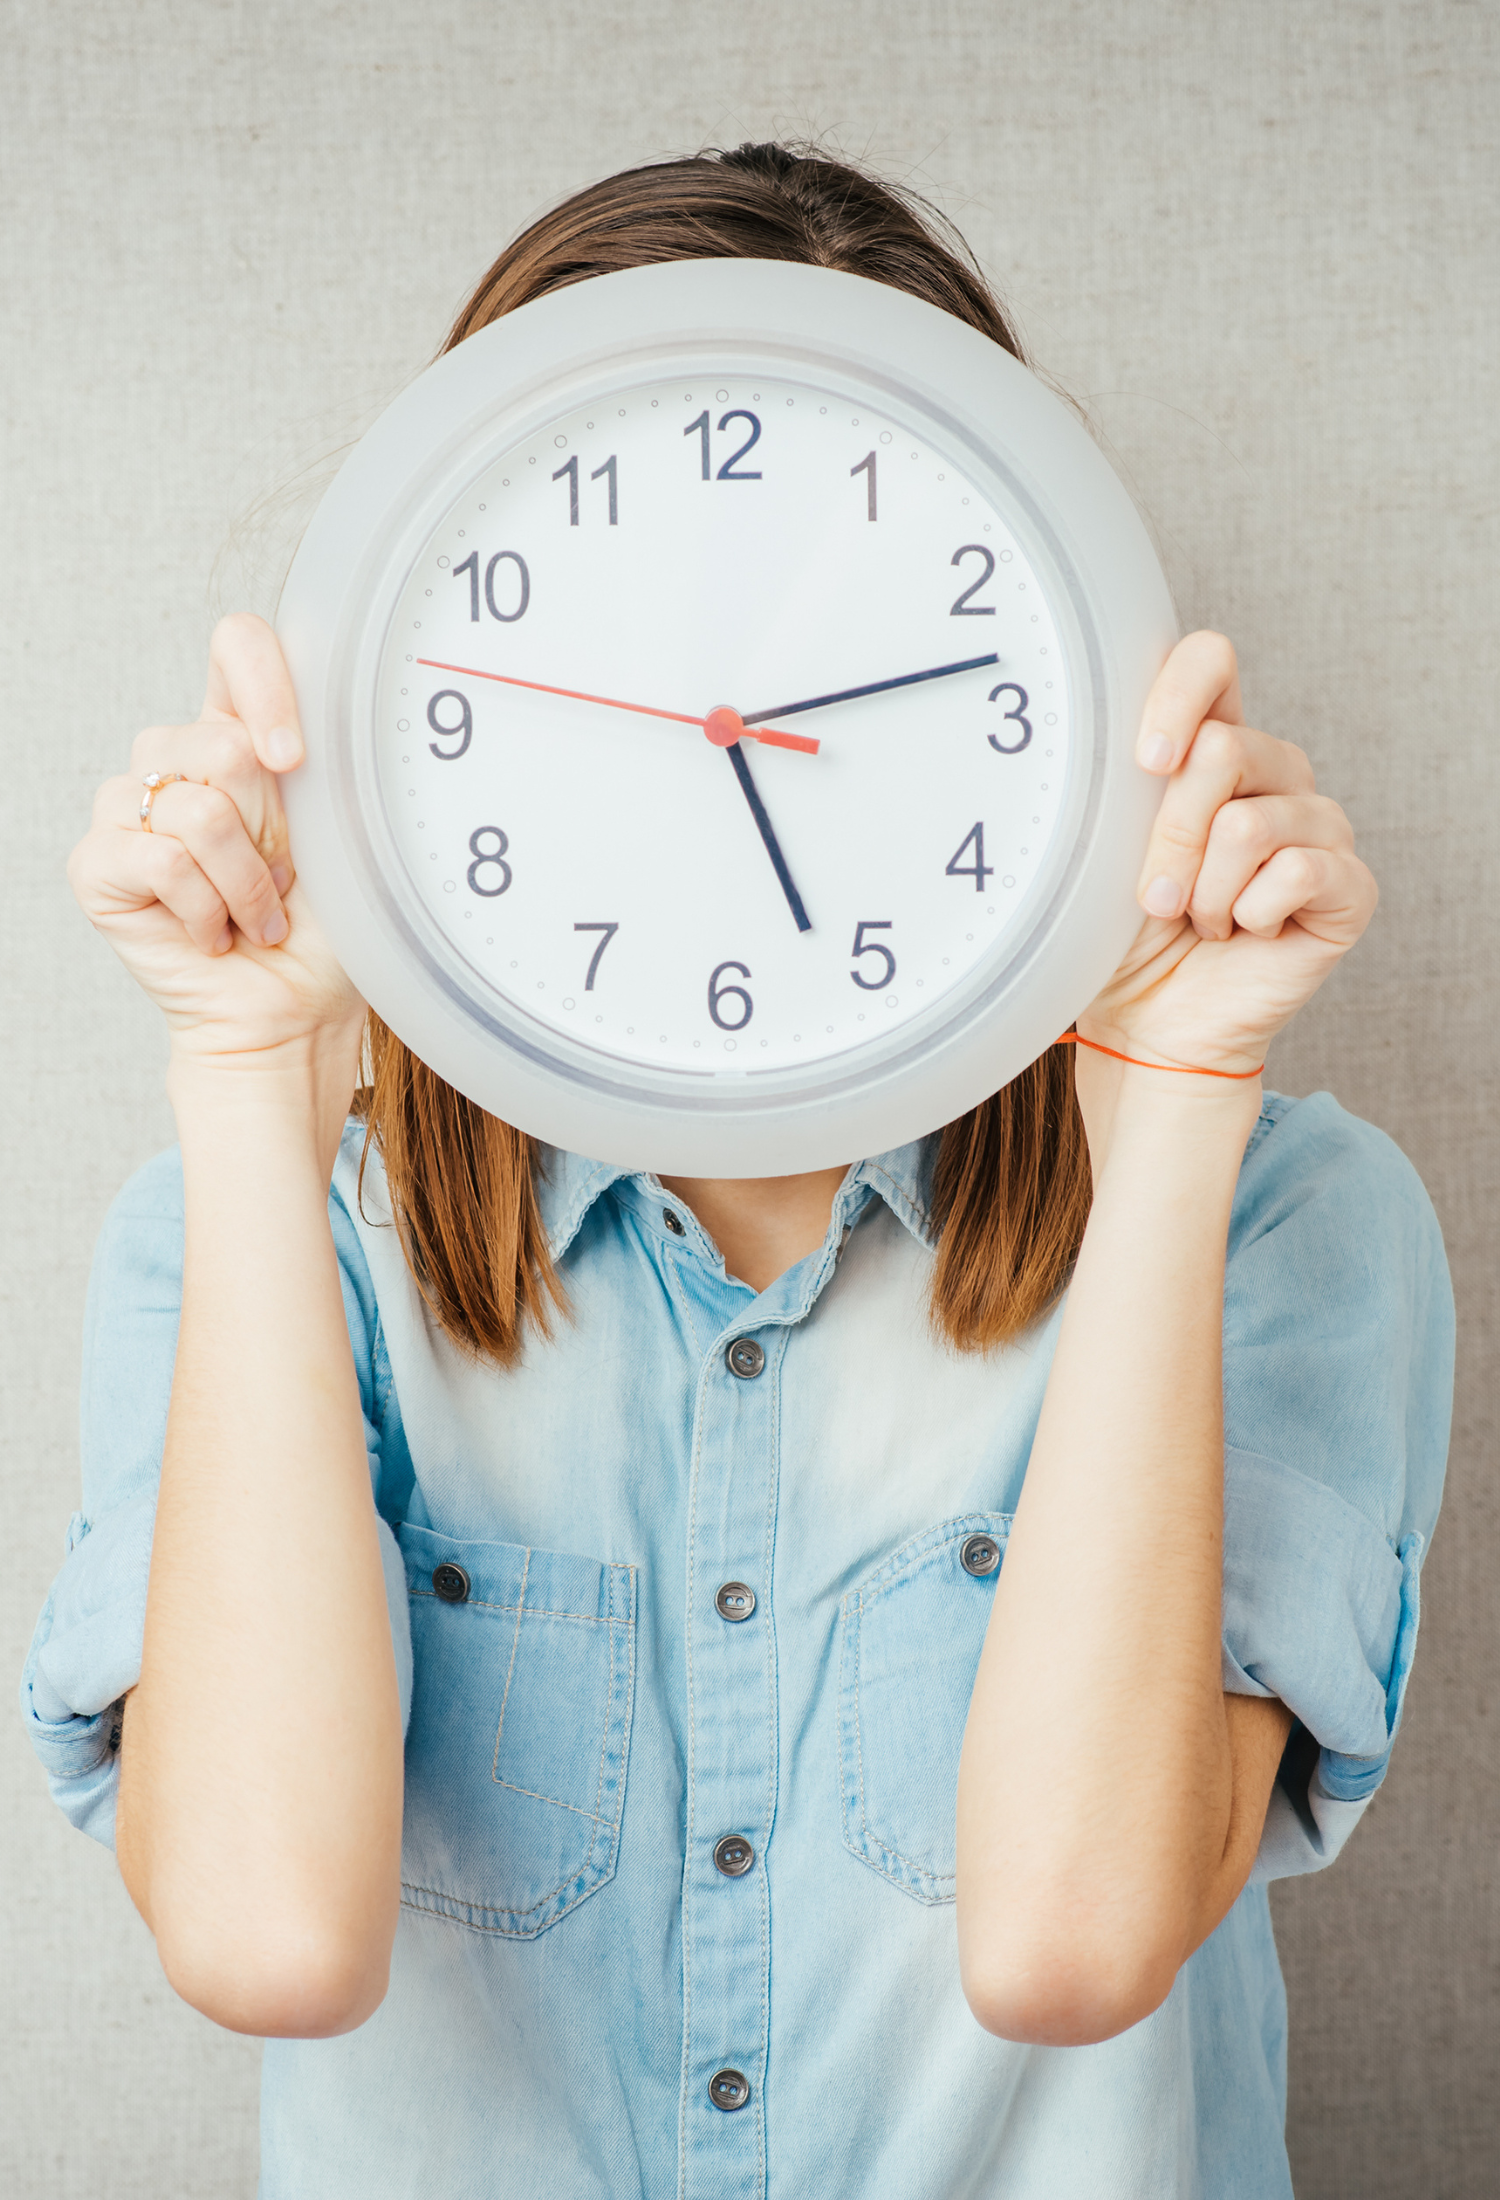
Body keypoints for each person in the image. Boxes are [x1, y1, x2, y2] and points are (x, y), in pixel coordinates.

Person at [22, 144, 1452, 2200]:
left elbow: (1073, 1946)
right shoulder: (253, 1233)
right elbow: (266, 1937)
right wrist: (251, 1073)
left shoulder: (1281, 1220)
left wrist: (1174, 1092)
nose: (724, 725)